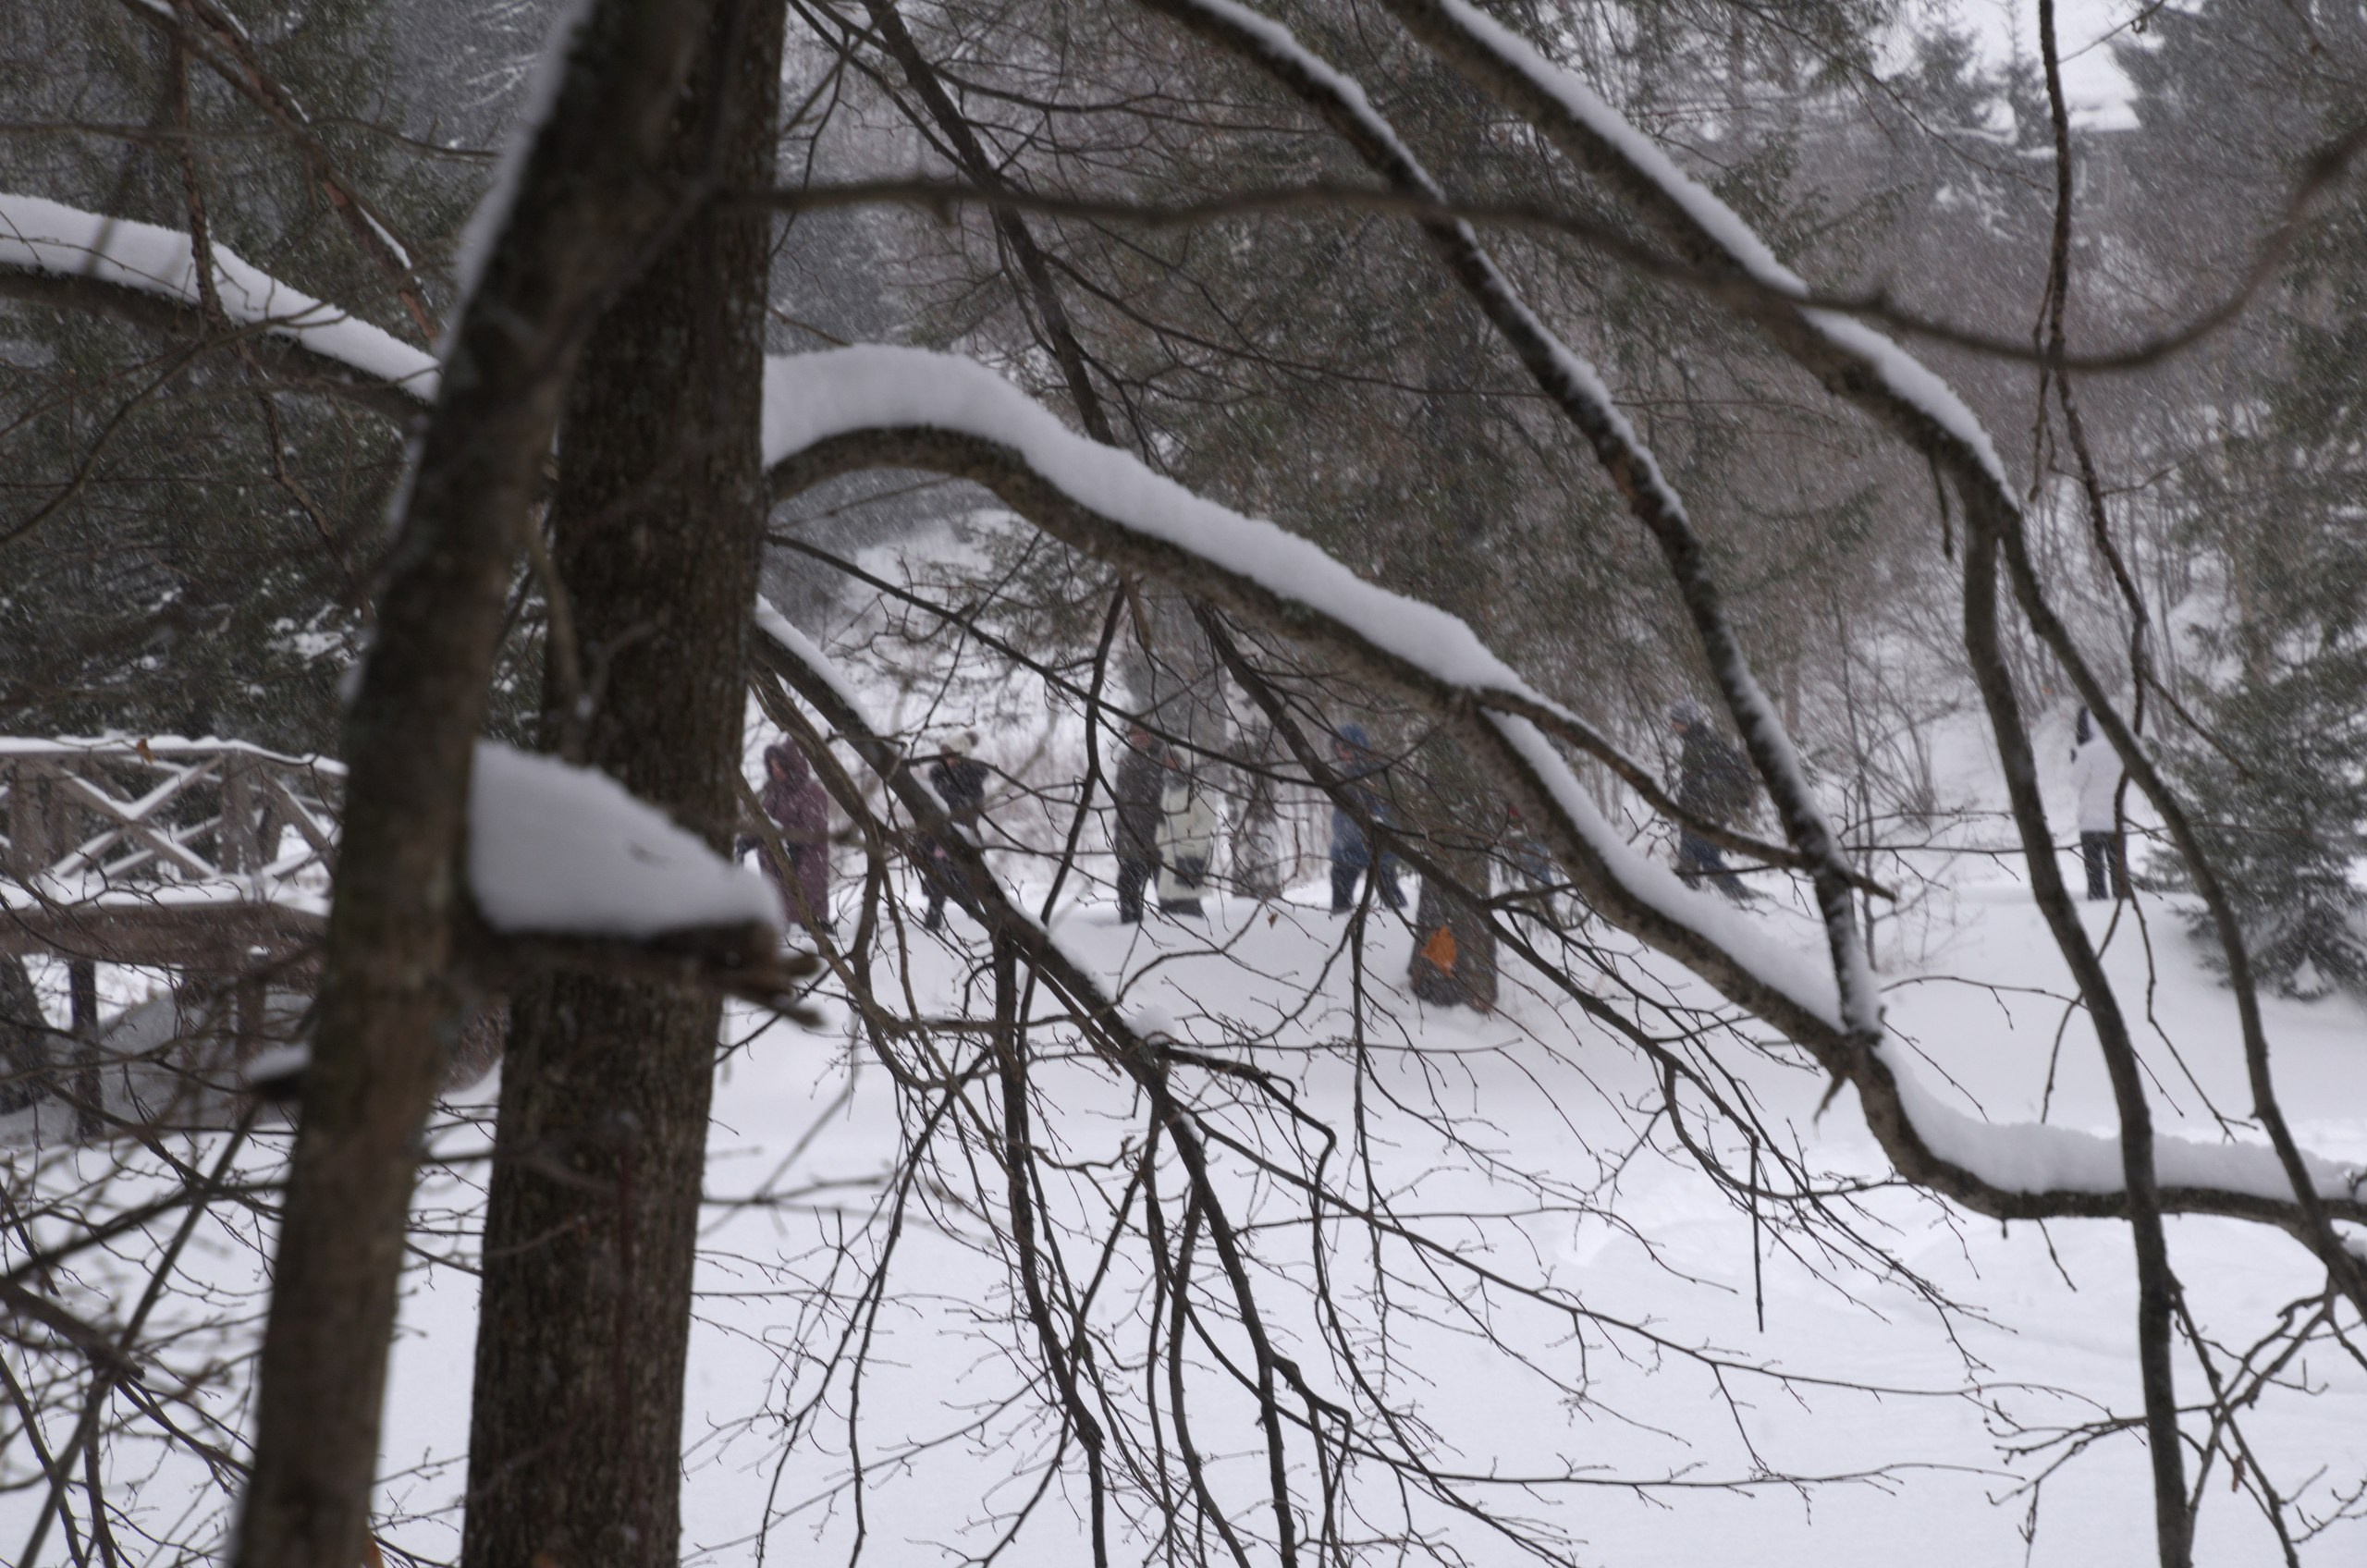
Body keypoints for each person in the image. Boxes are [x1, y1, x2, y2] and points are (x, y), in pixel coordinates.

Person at [738, 740, 832, 935]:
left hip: (805, 864)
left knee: (808, 912)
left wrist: (786, 837)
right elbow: (762, 821)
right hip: (776, 866)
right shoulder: (775, 793)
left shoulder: (811, 792)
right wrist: (746, 840)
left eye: (779, 765)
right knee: (781, 912)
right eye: (772, 766)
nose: (776, 770)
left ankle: (818, 933)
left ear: (791, 765)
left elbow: (814, 828)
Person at [1669, 699, 1755, 900]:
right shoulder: (1703, 740)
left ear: (1688, 721)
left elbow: (1703, 783)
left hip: (1706, 812)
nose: (1673, 725)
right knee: (1690, 858)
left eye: (1676, 721)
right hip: (1706, 811)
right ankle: (1689, 900)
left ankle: (1741, 897)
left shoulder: (1700, 745)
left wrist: (1691, 803)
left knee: (1706, 858)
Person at [1328, 723, 1404, 913]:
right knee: (1340, 886)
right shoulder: (1345, 774)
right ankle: (1338, 926)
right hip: (1347, 847)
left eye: (1345, 748)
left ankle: (1402, 925)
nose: (1342, 754)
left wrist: (1372, 818)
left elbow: (1388, 809)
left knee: (1388, 890)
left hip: (1375, 844)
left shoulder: (1376, 772)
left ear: (1357, 746)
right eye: (1337, 750)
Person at [922, 735, 991, 932]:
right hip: (938, 836)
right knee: (938, 879)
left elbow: (973, 808)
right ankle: (933, 920)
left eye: (949, 753)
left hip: (962, 835)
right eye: (943, 753)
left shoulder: (971, 778)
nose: (944, 757)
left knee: (970, 881)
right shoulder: (939, 777)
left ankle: (978, 921)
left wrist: (956, 822)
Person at [2070, 705, 2130, 901]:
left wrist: (2075, 761)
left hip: (2092, 821)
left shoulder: (2087, 752)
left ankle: (2098, 905)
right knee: (2119, 869)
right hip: (2117, 819)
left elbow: (2075, 782)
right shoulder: (2122, 748)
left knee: (2095, 871)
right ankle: (2123, 902)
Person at [1111, 723, 1168, 924]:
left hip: (1163, 838)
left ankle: (1180, 932)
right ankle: (1130, 929)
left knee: (1171, 896)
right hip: (1131, 837)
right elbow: (1121, 801)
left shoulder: (1166, 758)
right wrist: (1120, 835)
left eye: (1143, 732)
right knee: (1128, 887)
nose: (1138, 737)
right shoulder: (1126, 761)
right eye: (1134, 734)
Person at [1156, 752, 1218, 917]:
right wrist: (1161, 840)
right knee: (1167, 906)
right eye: (1167, 758)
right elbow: (1163, 816)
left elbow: (1209, 819)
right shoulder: (1168, 785)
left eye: (1175, 759)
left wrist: (1188, 840)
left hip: (1189, 857)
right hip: (1169, 855)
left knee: (1187, 907)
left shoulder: (1198, 786)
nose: (1169, 762)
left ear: (1186, 761)